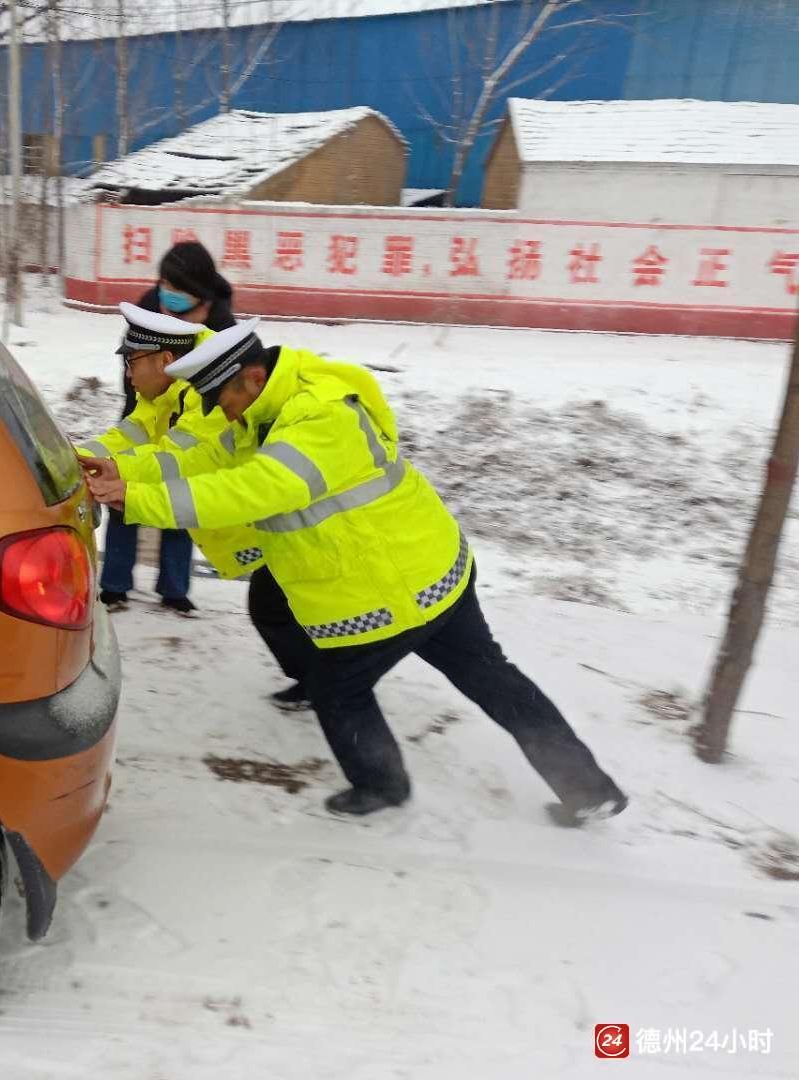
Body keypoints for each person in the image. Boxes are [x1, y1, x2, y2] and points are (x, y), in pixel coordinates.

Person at [83, 321, 627, 825]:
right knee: (491, 676)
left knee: (338, 689)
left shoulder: (322, 414)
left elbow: (257, 488)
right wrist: (122, 470)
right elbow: (201, 461)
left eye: (223, 398)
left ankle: (382, 785)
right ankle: (589, 788)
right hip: (429, 567)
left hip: (391, 587)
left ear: (252, 376)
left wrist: (133, 498)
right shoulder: (263, 411)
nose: (222, 413)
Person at [77, 303, 267, 614]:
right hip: (252, 528)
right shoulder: (167, 390)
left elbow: (177, 457)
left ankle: (172, 591)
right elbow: (132, 433)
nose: (127, 373)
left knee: (280, 615)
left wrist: (118, 473)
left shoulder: (209, 390)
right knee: (273, 614)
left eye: (131, 361)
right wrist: (71, 456)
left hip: (266, 530)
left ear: (166, 360)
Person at [101, 242, 239, 614]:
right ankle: (114, 585)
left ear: (203, 297)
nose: (169, 298)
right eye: (165, 286)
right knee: (122, 498)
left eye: (179, 293)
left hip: (195, 427)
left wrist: (180, 437)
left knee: (178, 502)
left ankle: (175, 589)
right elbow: (132, 372)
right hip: (144, 413)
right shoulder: (146, 310)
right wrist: (141, 424)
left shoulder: (223, 328)